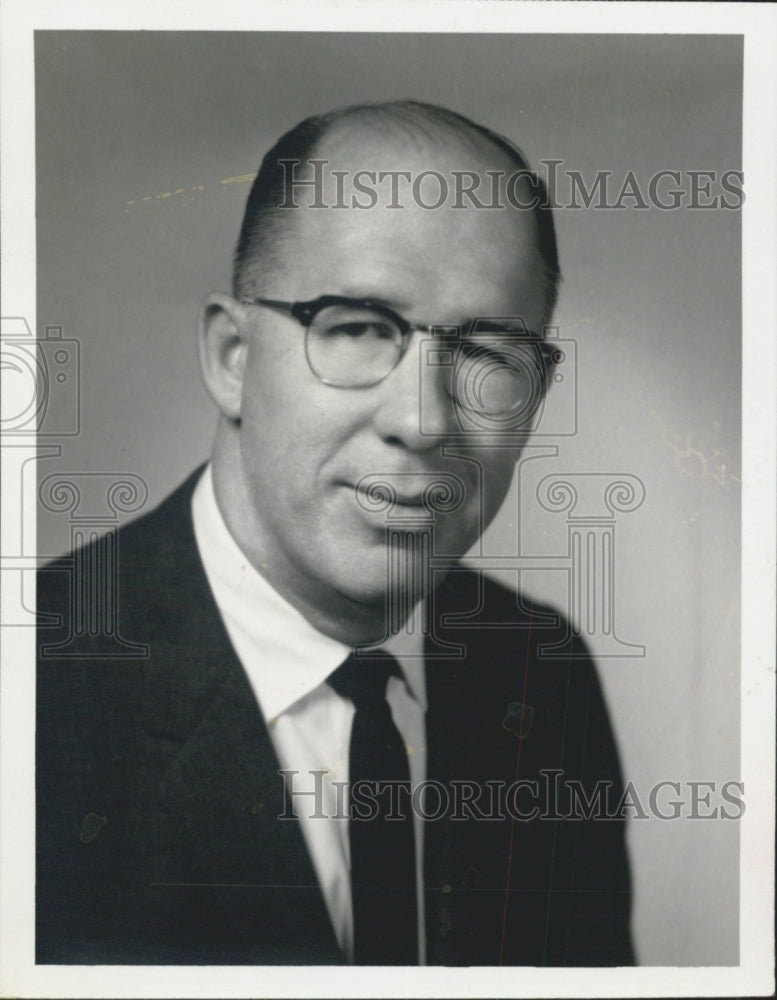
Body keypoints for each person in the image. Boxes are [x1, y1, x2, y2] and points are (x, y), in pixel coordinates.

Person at [36, 100, 634, 966]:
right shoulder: (34, 687)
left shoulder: (540, 668)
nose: (424, 422)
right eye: (358, 329)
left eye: (486, 353)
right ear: (231, 359)